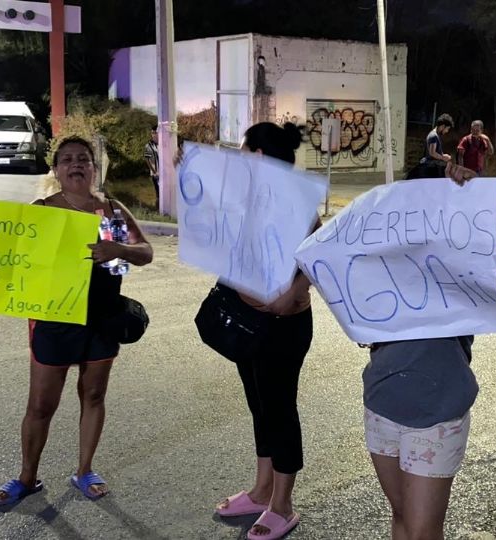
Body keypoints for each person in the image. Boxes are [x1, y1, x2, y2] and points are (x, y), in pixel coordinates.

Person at [0, 137, 154, 506]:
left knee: (94, 395)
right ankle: (27, 477)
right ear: (56, 171)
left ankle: (84, 470)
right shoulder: (43, 211)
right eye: (67, 159)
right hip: (54, 319)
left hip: (102, 318)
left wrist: (118, 250)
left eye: (83, 158)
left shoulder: (112, 211)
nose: (76, 164)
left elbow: (144, 252)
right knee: (40, 406)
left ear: (94, 168)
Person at [365, 162, 479, 540]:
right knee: (400, 516)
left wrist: (467, 192)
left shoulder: (459, 257)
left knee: (422, 530)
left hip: (438, 410)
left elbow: (477, 236)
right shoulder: (382, 258)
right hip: (383, 399)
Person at [213, 122, 316, 540]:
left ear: (256, 154)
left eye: (242, 150)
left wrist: (288, 297)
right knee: (260, 407)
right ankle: (260, 490)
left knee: (279, 409)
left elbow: (313, 260)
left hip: (283, 324)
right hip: (249, 321)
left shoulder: (295, 198)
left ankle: (283, 504)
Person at [143, 126, 160, 202]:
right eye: (152, 133)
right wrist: (154, 172)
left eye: (155, 133)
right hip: (155, 173)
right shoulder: (148, 146)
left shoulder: (163, 144)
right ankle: (159, 209)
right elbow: (147, 159)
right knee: (158, 192)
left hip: (165, 173)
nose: (154, 135)